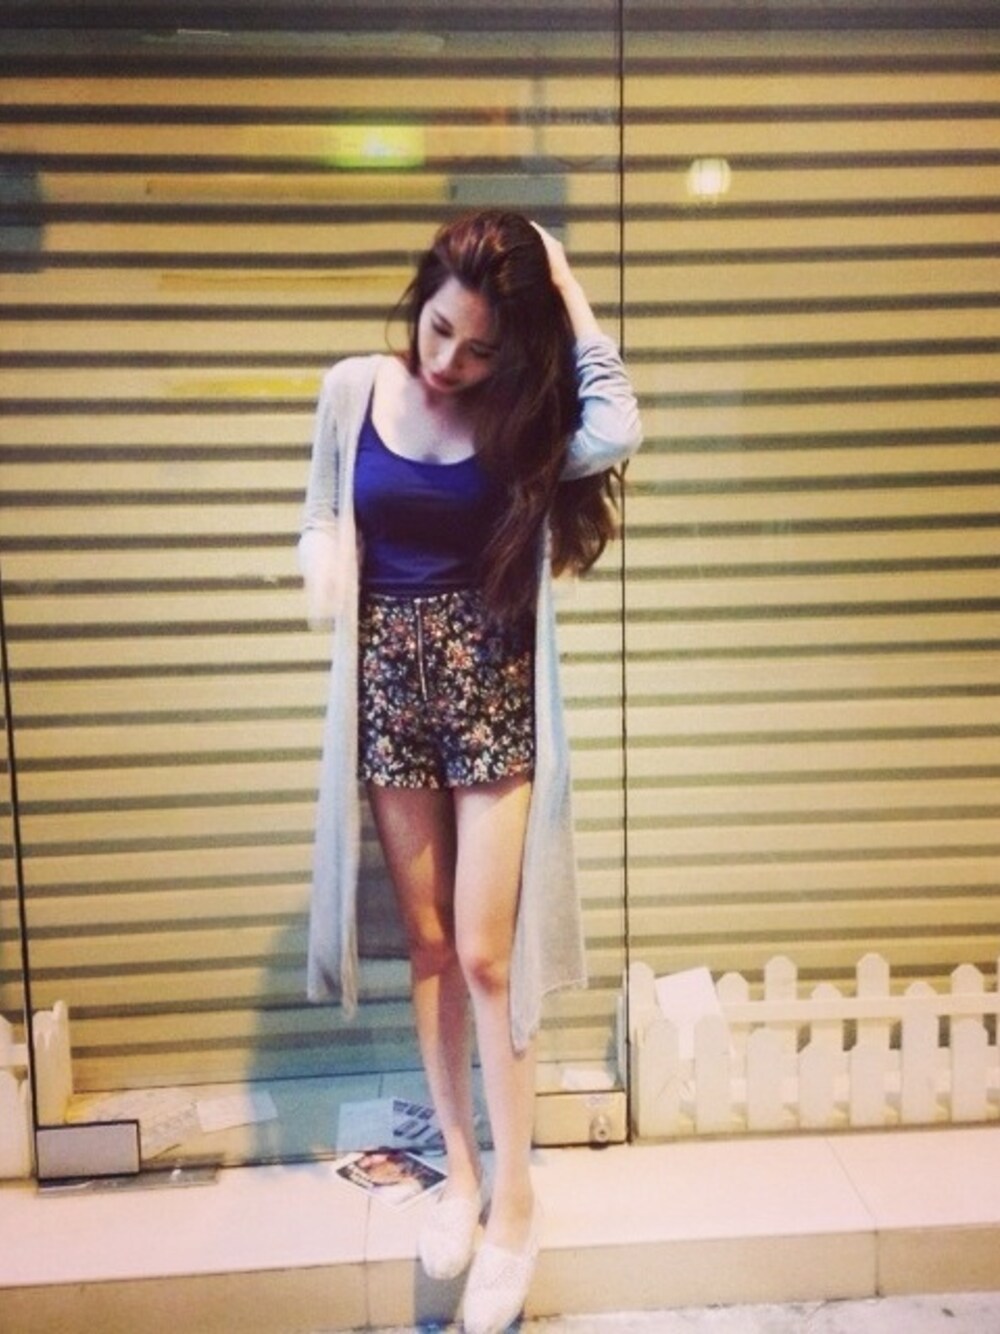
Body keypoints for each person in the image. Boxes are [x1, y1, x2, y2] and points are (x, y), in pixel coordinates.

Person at [299, 209, 641, 1334]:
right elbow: (321, 511)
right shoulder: (354, 389)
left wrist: (568, 286)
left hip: (491, 684)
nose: (448, 360)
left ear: (513, 346)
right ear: (419, 301)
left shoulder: (522, 420)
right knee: (432, 944)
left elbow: (618, 427)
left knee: (490, 954)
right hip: (388, 692)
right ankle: (460, 1173)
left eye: (480, 346)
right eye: (439, 329)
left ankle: (517, 1205)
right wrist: (322, 562)